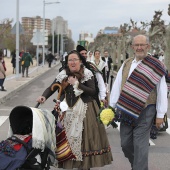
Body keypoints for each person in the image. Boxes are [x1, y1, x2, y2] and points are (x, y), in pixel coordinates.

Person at [37, 50, 113, 169]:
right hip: (67, 111)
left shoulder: (87, 73)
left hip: (85, 111)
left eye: (75, 60)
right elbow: (52, 87)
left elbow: (93, 91)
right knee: (67, 142)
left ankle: (85, 167)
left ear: (80, 61)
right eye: (70, 60)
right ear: (67, 62)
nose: (72, 62)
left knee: (84, 143)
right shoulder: (63, 74)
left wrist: (77, 84)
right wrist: (43, 96)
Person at [109, 34, 167, 170]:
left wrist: (160, 114)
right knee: (125, 144)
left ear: (148, 46)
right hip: (126, 111)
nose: (139, 48)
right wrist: (111, 108)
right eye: (137, 45)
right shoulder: (126, 64)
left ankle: (139, 167)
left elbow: (162, 90)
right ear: (132, 47)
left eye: (142, 45)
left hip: (147, 110)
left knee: (140, 145)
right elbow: (117, 86)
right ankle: (138, 166)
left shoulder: (156, 65)